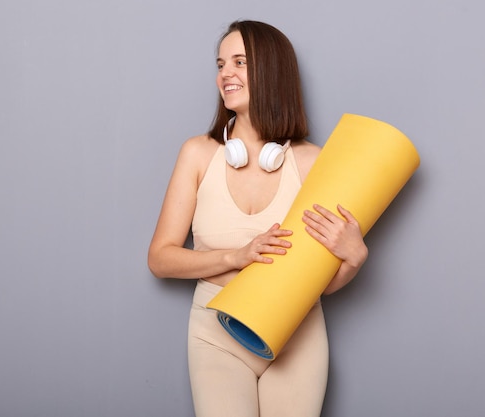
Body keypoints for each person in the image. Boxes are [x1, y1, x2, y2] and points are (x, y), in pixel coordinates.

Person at [148, 20, 368, 417]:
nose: (224, 74)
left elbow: (322, 284)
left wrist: (353, 259)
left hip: (296, 334)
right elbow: (160, 259)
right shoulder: (198, 154)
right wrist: (235, 256)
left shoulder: (312, 162)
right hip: (216, 333)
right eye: (220, 64)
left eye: (239, 62)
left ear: (271, 71)